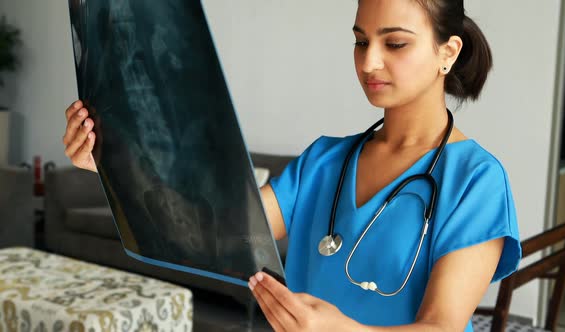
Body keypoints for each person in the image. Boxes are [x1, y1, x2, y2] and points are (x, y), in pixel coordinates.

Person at [63, 0, 521, 330]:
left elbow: (441, 326)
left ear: (449, 52)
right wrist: (111, 164)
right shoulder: (325, 160)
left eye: (395, 43)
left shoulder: (476, 181)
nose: (369, 62)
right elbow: (212, 230)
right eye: (361, 41)